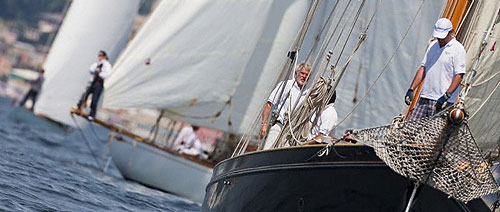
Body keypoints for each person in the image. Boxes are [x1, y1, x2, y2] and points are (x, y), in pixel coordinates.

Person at [405, 18, 466, 120]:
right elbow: (423, 69)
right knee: (408, 130)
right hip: (425, 97)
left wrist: (446, 96)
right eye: (438, 36)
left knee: (433, 134)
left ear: (451, 32)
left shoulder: (458, 49)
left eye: (443, 37)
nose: (440, 39)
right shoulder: (432, 45)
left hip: (442, 101)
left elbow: (459, 76)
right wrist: (411, 89)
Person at [260, 62, 311, 150]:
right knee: (267, 151)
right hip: (279, 126)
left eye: (307, 75)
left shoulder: (308, 92)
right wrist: (264, 124)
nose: (304, 76)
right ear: (296, 73)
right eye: (302, 73)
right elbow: (269, 104)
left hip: (292, 132)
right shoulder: (286, 85)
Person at [76, 50, 112, 121]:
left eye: (101, 55)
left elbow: (106, 74)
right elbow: (91, 69)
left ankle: (92, 115)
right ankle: (79, 107)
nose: (99, 57)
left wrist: (99, 73)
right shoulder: (96, 64)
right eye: (99, 55)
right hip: (92, 82)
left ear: (104, 56)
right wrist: (94, 71)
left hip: (99, 84)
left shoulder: (107, 65)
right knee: (85, 95)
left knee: (94, 100)